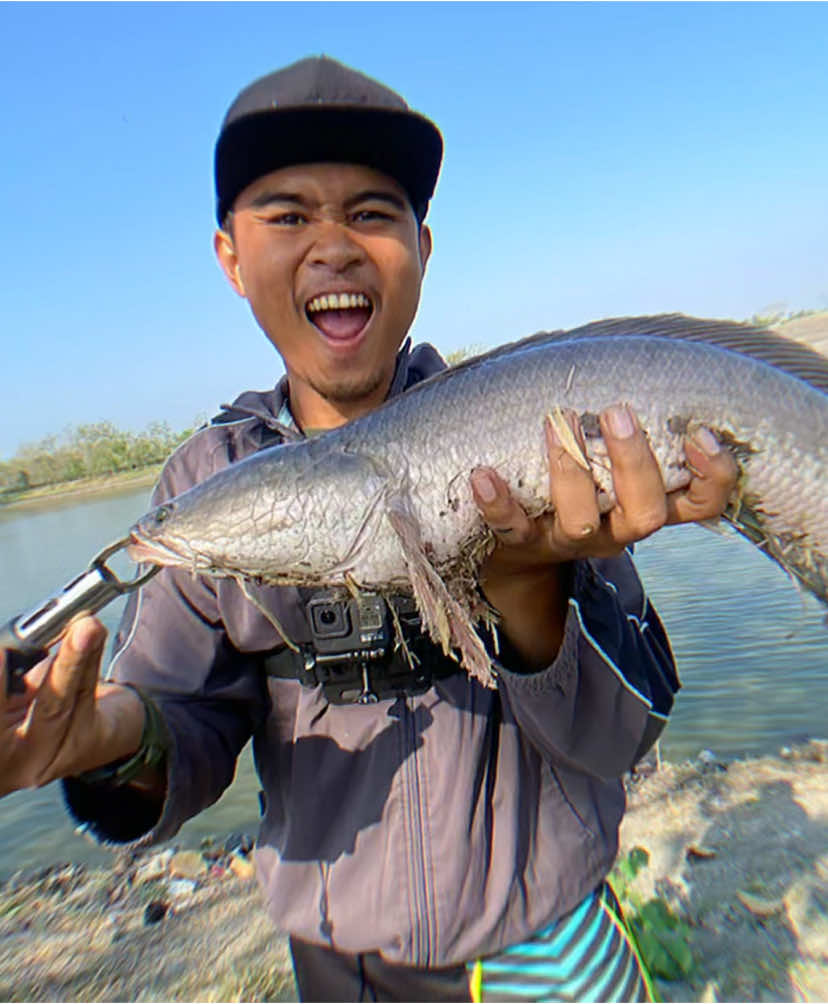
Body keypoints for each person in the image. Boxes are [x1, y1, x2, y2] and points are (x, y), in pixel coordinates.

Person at [0, 56, 738, 1001]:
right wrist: (101, 741)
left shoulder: (524, 437)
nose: (335, 247)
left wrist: (525, 581)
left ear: (423, 248)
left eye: (373, 213)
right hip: (340, 966)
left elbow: (621, 739)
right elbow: (184, 725)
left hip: (547, 936)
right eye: (289, 214)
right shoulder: (204, 477)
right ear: (230, 255)